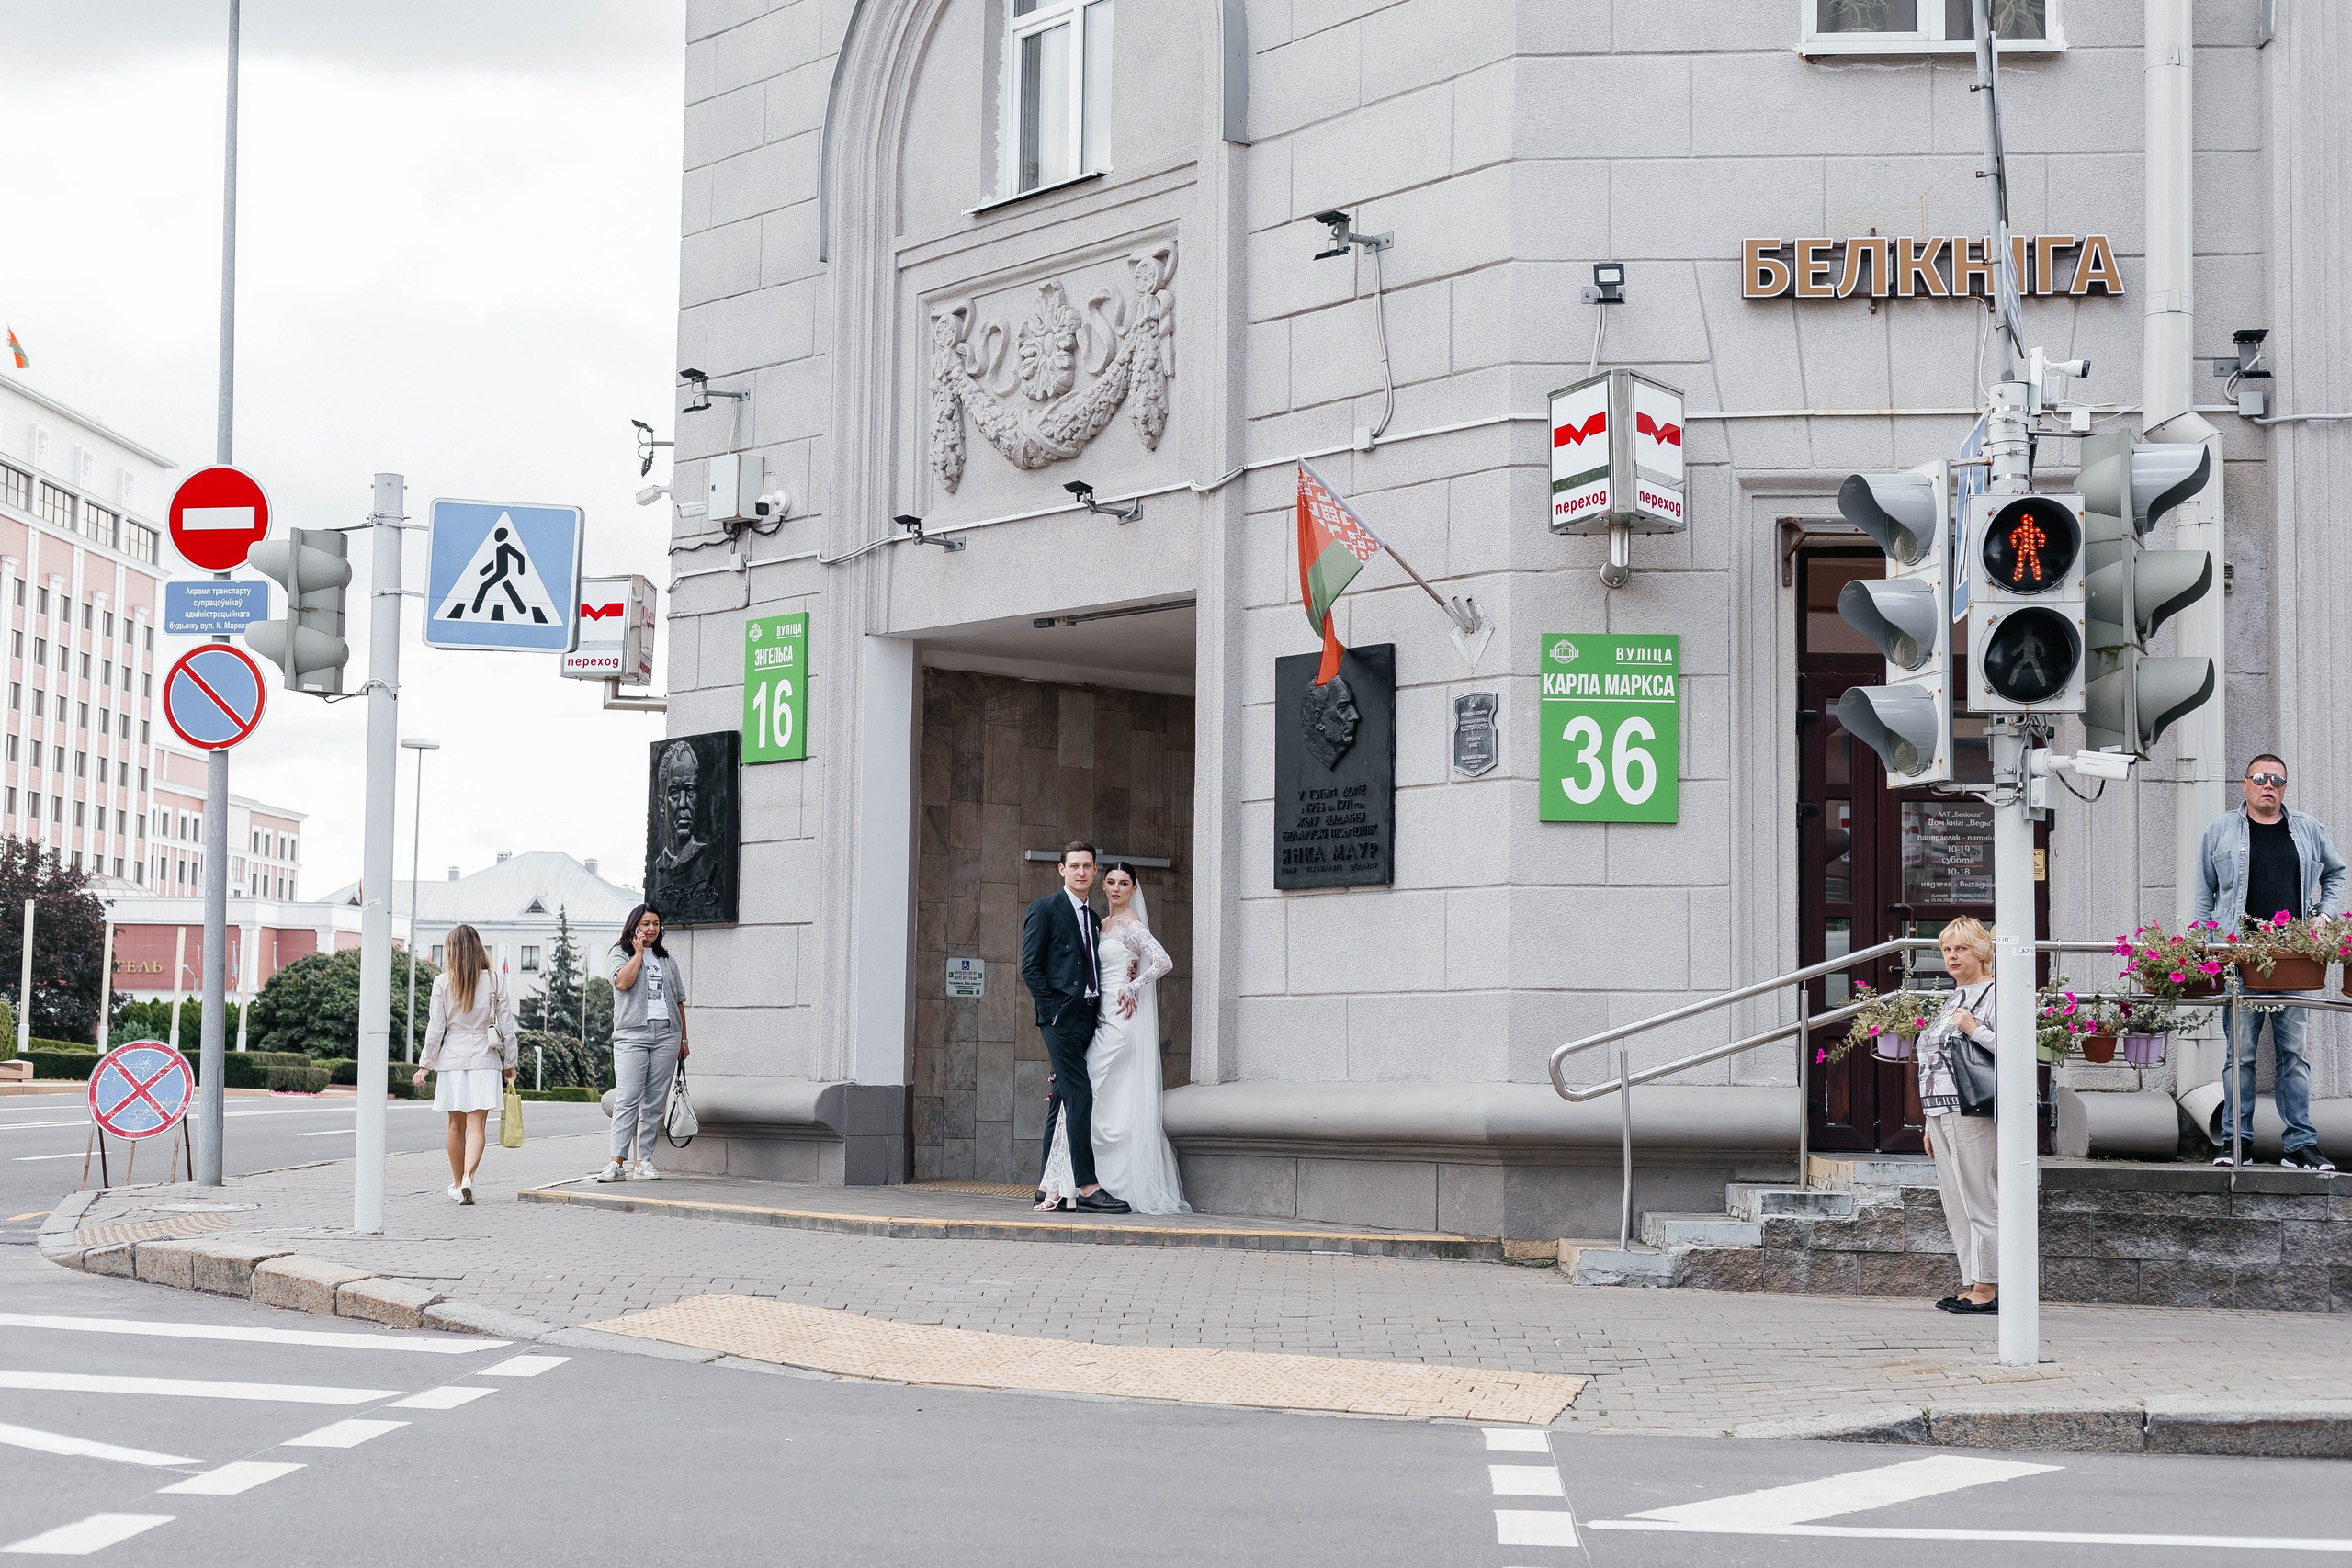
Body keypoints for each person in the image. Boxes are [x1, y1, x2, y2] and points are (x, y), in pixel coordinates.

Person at [2190, 752, 2345, 1171]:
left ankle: (2299, 1145)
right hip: (2237, 958)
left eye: (2276, 779)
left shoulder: (2308, 830)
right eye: (2260, 778)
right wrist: (2204, 942)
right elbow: (2205, 892)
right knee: (2239, 1055)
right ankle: (2235, 1143)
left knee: (2293, 1054)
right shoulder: (2220, 830)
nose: (2268, 785)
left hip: (2293, 958)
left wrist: (2324, 918)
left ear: (2284, 787)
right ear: (2245, 784)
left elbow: (2336, 874)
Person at [1037, 862, 1189, 1214]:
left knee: (1082, 1092)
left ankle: (1063, 1185)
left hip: (1120, 1022)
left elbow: (1163, 962)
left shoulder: (1133, 925)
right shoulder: (1099, 924)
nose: (1116, 888)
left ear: (1134, 889)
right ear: (1102, 887)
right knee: (1102, 1101)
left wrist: (1132, 986)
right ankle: (1078, 1183)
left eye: (1124, 883)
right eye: (1111, 882)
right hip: (1096, 1018)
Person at [1019, 842, 1130, 1214]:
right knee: (1081, 1094)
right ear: (1061, 870)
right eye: (1074, 866)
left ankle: (1046, 1184)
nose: (1081, 872)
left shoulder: (1094, 917)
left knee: (1063, 1099)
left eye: (1087, 866)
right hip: (1061, 1018)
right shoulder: (1045, 909)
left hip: (1090, 1016)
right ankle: (1086, 1186)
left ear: (1095, 871)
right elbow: (1030, 967)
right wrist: (1051, 1011)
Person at [1916, 917, 1999, 1315]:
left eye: (1961, 948)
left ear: (1980, 951)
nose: (1952, 956)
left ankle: (1990, 1286)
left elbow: (2017, 1050)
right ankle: (1972, 1281)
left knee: (1979, 1197)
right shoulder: (1954, 996)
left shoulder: (1995, 995)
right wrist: (1927, 1122)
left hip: (1971, 1110)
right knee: (1956, 1202)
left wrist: (1975, 1029)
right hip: (1941, 1111)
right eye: (1947, 949)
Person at [410, 924, 517, 1206]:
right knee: (477, 1126)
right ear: (478, 948)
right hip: (485, 1057)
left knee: (454, 1127)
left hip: (452, 1060)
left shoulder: (443, 982)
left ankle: (458, 1185)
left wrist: (425, 1065)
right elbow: (507, 1026)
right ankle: (469, 1178)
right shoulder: (495, 980)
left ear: (452, 951)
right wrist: (511, 1062)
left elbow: (436, 1028)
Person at [600, 902, 690, 1183]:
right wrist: (638, 953)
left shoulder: (667, 960)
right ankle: (616, 1163)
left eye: (655, 924)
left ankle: (644, 1161)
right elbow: (622, 983)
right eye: (645, 924)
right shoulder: (620, 953)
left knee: (654, 1101)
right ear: (634, 926)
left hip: (666, 1033)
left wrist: (683, 1038)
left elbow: (678, 1001)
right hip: (631, 1035)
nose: (651, 929)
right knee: (627, 1097)